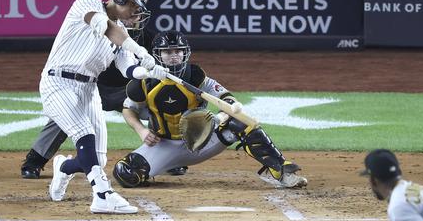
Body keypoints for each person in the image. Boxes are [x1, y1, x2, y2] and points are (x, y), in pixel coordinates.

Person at [111, 30, 307, 189]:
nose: (174, 56)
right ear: (157, 55)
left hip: (202, 143)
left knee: (242, 121)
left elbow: (228, 99)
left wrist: (220, 116)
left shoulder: (196, 76)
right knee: (125, 174)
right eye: (168, 52)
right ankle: (170, 165)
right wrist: (141, 130)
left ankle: (281, 171)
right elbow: (129, 110)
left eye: (178, 51)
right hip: (163, 146)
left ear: (185, 52)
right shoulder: (143, 82)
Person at [41, 0, 169, 214]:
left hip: (89, 90)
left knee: (96, 159)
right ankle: (102, 195)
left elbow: (128, 69)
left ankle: (64, 167)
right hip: (57, 82)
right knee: (84, 134)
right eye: (134, 5)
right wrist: (140, 50)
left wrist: (150, 71)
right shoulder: (87, 3)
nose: (137, 12)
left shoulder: (123, 33)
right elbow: (106, 28)